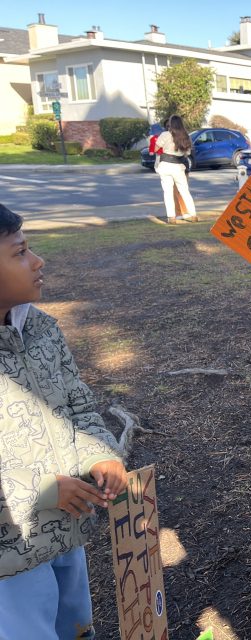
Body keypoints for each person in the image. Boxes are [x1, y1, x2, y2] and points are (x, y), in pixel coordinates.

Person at [0, 204, 128, 639]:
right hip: (8, 561)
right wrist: (44, 489)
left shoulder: (41, 329)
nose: (38, 262)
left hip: (64, 532)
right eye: (20, 253)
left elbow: (78, 407)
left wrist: (100, 454)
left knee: (74, 627)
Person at [155, 114, 197, 224]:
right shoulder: (185, 136)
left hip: (165, 165)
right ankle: (193, 215)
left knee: (168, 192)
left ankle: (171, 217)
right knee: (184, 191)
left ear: (170, 124)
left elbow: (156, 148)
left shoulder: (165, 134)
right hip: (179, 166)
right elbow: (187, 153)